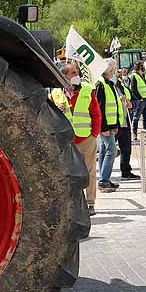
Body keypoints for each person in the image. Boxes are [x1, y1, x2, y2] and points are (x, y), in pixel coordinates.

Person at [52, 62, 101, 215]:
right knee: (68, 173)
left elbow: (96, 113)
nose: (76, 75)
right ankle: (72, 204)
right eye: (73, 73)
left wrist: (94, 134)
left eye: (77, 72)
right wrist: (56, 110)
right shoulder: (55, 93)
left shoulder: (87, 90)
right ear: (64, 76)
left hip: (86, 138)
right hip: (67, 141)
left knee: (90, 172)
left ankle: (90, 203)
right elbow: (49, 116)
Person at [95, 61, 124, 193]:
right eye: (114, 69)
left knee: (103, 151)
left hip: (109, 125)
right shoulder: (101, 84)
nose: (115, 71)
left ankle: (104, 178)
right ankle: (103, 181)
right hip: (105, 126)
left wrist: (114, 124)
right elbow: (100, 107)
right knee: (111, 151)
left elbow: (112, 106)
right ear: (111, 69)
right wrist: (104, 127)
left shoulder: (108, 84)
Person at [115, 71, 138, 181]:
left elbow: (135, 100)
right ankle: (104, 177)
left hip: (125, 122)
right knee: (107, 151)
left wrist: (131, 104)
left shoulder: (123, 87)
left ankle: (126, 172)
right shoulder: (104, 86)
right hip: (113, 124)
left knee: (126, 149)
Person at [130, 62, 146, 136]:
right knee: (136, 117)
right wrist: (139, 98)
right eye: (142, 66)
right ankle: (134, 132)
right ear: (139, 67)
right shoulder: (134, 76)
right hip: (141, 100)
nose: (143, 67)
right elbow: (133, 89)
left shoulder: (143, 75)